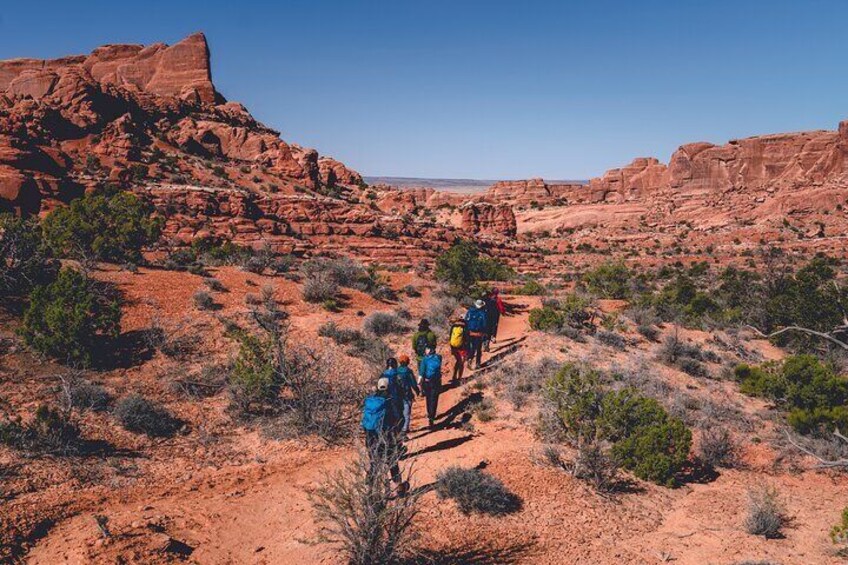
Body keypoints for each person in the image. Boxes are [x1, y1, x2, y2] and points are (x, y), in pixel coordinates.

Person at [361, 377, 408, 495]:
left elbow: (365, 422)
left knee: (374, 463)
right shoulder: (389, 401)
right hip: (386, 438)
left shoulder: (371, 401)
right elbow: (400, 419)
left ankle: (369, 489)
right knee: (392, 462)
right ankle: (399, 488)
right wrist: (397, 432)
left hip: (370, 438)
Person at [395, 355, 420, 437]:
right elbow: (413, 383)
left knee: (399, 413)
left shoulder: (396, 371)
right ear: (407, 362)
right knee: (406, 413)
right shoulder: (408, 371)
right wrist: (417, 391)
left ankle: (400, 429)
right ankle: (404, 430)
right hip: (407, 395)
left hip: (398, 396)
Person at [417, 346, 442, 428]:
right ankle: (432, 414)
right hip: (437, 381)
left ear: (429, 350)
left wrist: (419, 384)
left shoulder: (424, 360)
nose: (425, 350)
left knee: (428, 398)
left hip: (427, 382)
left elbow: (421, 373)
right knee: (435, 398)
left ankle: (429, 415)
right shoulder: (439, 357)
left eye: (427, 349)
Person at [465, 299, 488, 370]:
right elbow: (484, 324)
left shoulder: (469, 311)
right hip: (478, 333)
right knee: (478, 348)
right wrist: (485, 333)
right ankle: (477, 363)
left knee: (471, 346)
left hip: (469, 332)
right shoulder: (482, 313)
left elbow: (466, 320)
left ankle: (469, 358)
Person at [448, 318, 467, 383]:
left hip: (454, 347)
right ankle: (459, 378)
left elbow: (450, 337)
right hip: (462, 347)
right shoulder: (465, 327)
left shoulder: (453, 327)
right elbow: (467, 338)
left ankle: (454, 376)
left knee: (458, 360)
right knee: (462, 363)